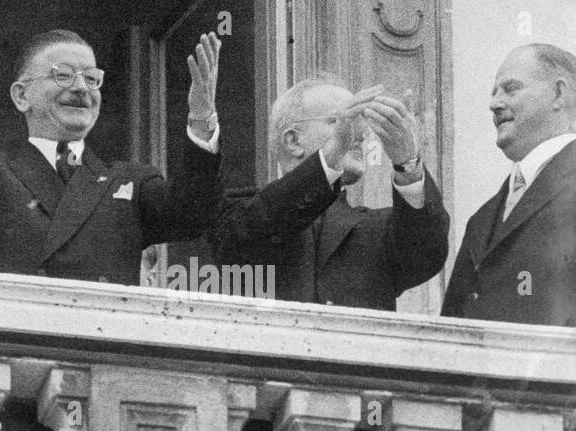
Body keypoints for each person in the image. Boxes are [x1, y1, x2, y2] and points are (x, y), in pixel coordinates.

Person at [0, 0, 223, 286]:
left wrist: (201, 118)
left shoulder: (130, 182)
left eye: (91, 78)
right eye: (62, 75)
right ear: (21, 96)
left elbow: (191, 214)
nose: (81, 88)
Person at [209, 75, 448, 310]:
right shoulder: (239, 214)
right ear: (293, 141)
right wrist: (331, 155)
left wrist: (408, 162)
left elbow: (427, 253)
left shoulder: (379, 230)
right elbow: (245, 232)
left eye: (358, 122)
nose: (360, 133)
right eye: (339, 121)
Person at [442, 44, 576, 326]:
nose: (495, 104)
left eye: (510, 89)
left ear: (558, 93)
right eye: (494, 92)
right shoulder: (482, 219)